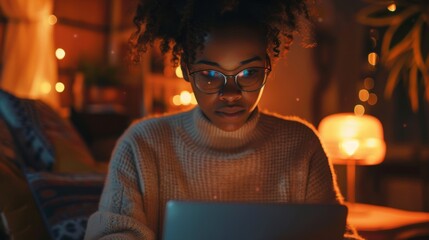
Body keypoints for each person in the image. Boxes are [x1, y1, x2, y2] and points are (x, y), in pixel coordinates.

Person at [85, 0, 363, 239]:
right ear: (186, 69)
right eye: (210, 74)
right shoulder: (142, 144)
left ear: (269, 67)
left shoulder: (301, 145)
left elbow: (336, 233)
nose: (230, 94)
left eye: (248, 73)